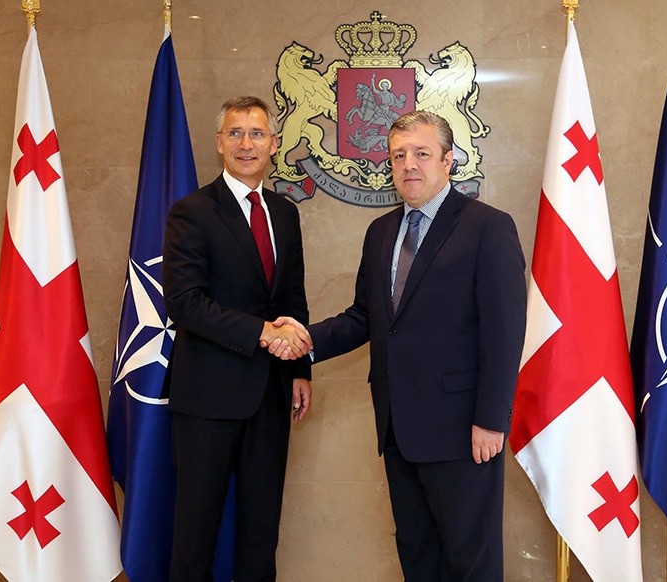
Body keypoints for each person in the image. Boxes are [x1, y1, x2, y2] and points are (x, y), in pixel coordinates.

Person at [268, 111, 527, 580]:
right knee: (418, 557)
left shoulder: (487, 227)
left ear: (449, 161)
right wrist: (304, 341)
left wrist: (491, 420)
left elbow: (504, 332)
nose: (410, 164)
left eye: (422, 154)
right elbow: (365, 318)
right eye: (399, 155)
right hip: (398, 428)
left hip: (463, 433)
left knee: (471, 562)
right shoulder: (381, 232)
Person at [163, 96, 312, 582]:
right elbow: (185, 303)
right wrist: (263, 334)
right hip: (207, 397)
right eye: (235, 133)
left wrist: (300, 370)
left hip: (270, 395)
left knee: (260, 532)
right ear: (219, 143)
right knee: (196, 532)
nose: (246, 144)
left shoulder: (285, 214)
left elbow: (292, 297)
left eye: (256, 133)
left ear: (274, 143)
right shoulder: (192, 212)